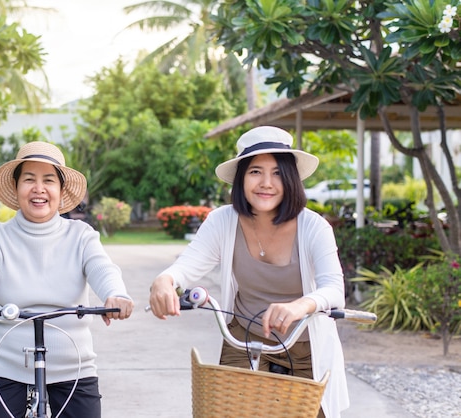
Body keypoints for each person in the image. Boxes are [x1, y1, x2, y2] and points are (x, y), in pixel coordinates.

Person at [149, 126, 348, 418]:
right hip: (244, 337)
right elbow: (186, 266)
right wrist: (165, 281)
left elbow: (334, 290)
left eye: (277, 172)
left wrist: (300, 306)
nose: (266, 183)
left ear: (291, 178)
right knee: (227, 411)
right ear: (241, 178)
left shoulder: (314, 226)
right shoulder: (222, 220)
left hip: (305, 345)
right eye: (255, 171)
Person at [0, 141, 134, 418]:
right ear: (16, 186)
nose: (39, 189)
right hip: (7, 364)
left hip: (74, 365)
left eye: (48, 180)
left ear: (60, 190)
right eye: (29, 180)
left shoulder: (81, 236)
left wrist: (116, 293)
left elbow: (103, 269)